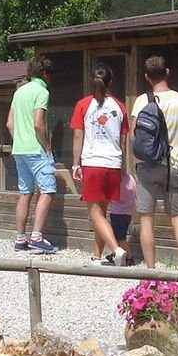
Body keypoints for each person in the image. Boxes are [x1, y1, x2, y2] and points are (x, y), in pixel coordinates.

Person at [132, 55, 178, 270]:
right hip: (173, 166)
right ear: (167, 72)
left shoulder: (142, 101)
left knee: (146, 219)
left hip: (148, 165)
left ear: (147, 77)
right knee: (177, 217)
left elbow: (134, 135)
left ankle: (151, 269)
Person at [69, 65, 129, 266]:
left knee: (94, 213)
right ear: (110, 83)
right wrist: (122, 166)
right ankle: (96, 255)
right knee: (101, 213)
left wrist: (76, 164)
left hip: (93, 162)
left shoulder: (84, 105)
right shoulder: (120, 107)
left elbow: (78, 135)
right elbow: (122, 141)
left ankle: (117, 250)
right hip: (113, 163)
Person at [5, 54, 60, 254]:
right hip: (36, 149)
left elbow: (9, 123)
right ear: (44, 73)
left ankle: (20, 238)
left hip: (19, 149)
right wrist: (46, 146)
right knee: (47, 191)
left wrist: (19, 139)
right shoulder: (41, 91)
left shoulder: (19, 92)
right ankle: (37, 236)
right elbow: (38, 123)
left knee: (25, 193)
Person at [103, 171, 138, 264]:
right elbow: (135, 192)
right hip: (128, 211)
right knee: (118, 235)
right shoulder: (130, 177)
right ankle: (115, 254)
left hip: (118, 211)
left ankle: (129, 258)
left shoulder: (115, 180)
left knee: (120, 238)